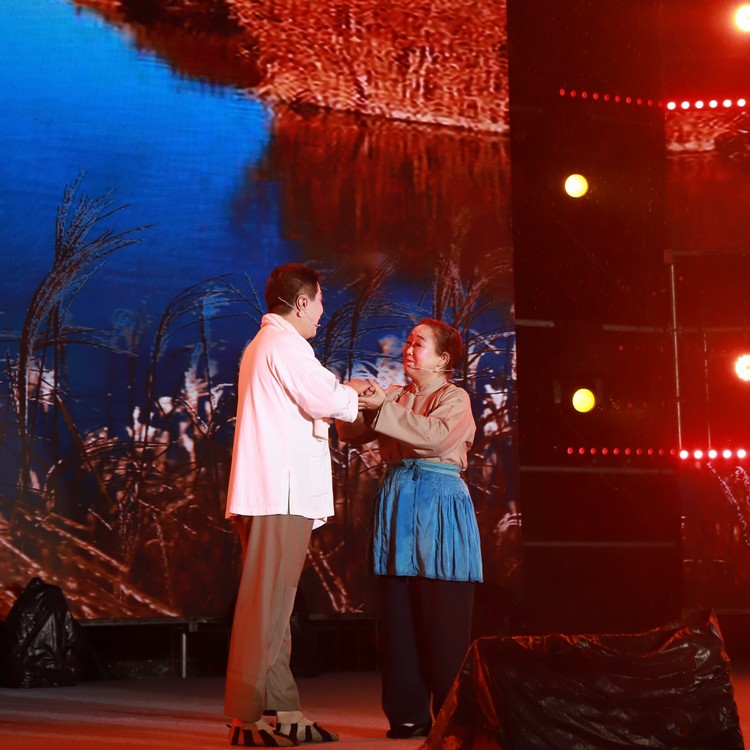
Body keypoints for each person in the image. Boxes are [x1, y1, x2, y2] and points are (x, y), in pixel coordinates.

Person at [224, 263, 371, 747]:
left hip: (276, 492)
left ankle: (283, 709)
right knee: (264, 606)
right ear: (302, 302)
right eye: (321, 302)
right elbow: (326, 399)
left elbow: (317, 396)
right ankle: (245, 716)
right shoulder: (285, 345)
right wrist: (358, 392)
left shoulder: (270, 344)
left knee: (277, 607)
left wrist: (344, 393)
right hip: (278, 494)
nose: (323, 313)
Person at [337, 318, 482, 739]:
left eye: (419, 344)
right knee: (398, 620)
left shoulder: (454, 398)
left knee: (443, 619)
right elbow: (350, 433)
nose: (408, 349)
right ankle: (407, 715)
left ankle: (453, 717)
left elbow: (434, 438)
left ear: (442, 359)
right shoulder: (397, 395)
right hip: (399, 502)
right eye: (408, 342)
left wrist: (380, 405)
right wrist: (353, 398)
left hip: (439, 505)